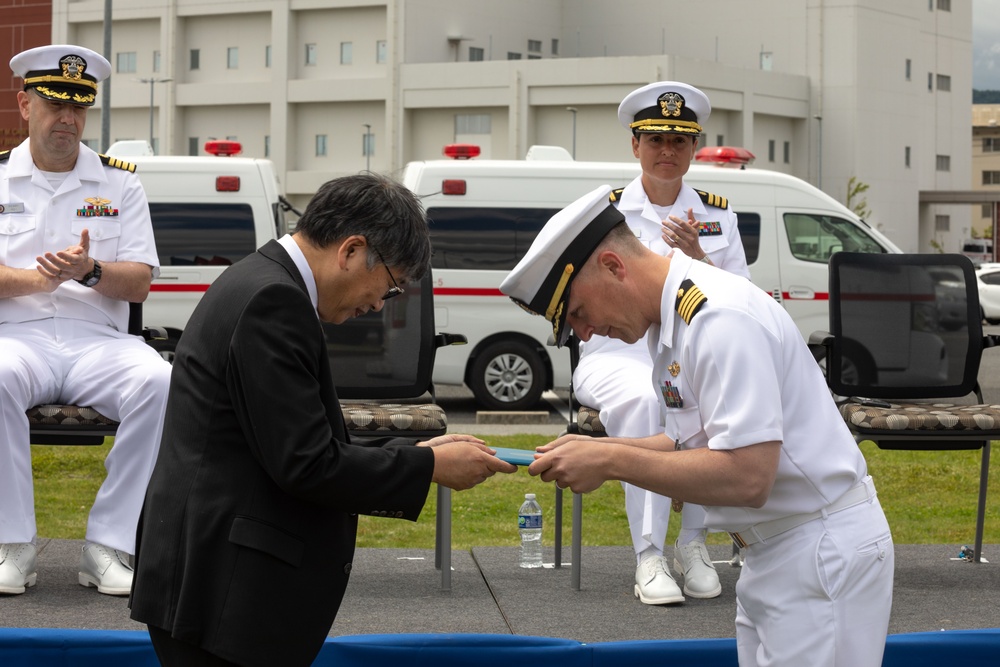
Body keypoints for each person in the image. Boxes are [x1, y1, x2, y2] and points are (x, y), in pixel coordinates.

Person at [128, 173, 518, 667]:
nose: (379, 304)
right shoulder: (275, 302)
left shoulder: (258, 277)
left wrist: (416, 453)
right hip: (224, 594)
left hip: (206, 579)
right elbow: (306, 464)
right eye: (391, 286)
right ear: (352, 250)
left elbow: (291, 439)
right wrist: (430, 470)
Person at [500, 185, 894, 667]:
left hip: (816, 550)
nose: (583, 333)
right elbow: (688, 441)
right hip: (778, 549)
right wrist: (590, 452)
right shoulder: (673, 324)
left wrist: (610, 457)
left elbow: (748, 475)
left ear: (612, 266)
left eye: (578, 312)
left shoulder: (716, 318)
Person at [0, 45, 171, 597]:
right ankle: (12, 546)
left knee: (160, 382)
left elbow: (140, 280)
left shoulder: (120, 184)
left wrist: (91, 270)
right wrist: (39, 280)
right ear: (25, 105)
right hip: (16, 337)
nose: (68, 119)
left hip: (97, 341)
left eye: (80, 107)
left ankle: (108, 546)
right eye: (55, 105)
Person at [573, 81, 750, 604]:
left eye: (679, 140)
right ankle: (648, 554)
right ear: (635, 145)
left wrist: (698, 257)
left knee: (703, 399)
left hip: (687, 354)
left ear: (694, 147)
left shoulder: (717, 215)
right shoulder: (606, 214)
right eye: (655, 140)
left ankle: (692, 543)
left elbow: (739, 300)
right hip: (617, 354)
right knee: (650, 398)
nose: (667, 151)